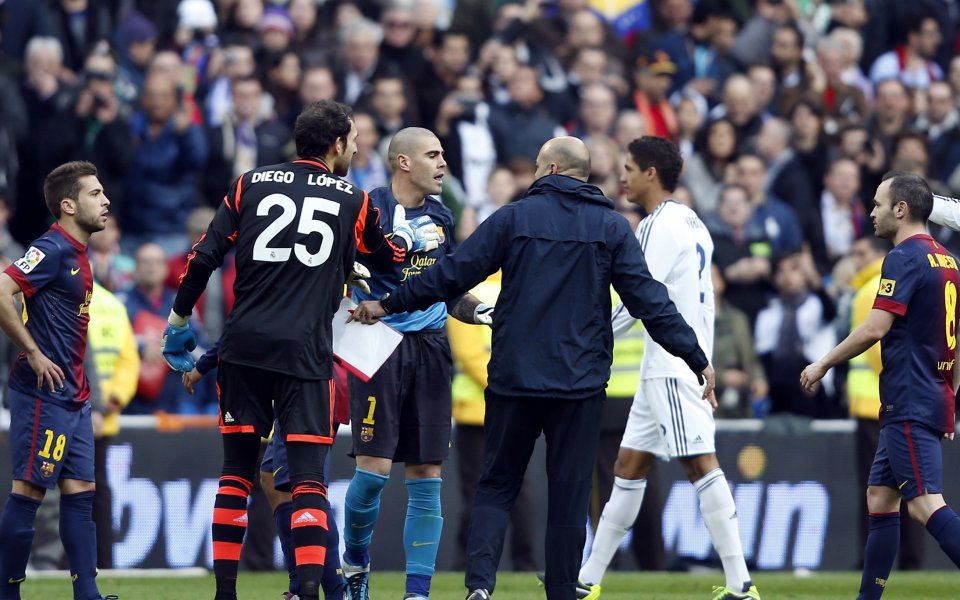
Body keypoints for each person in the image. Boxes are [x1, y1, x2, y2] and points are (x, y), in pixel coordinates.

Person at [349, 136, 715, 600]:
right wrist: (696, 356)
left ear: (554, 170)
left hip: (514, 379)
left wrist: (389, 303)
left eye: (540, 168)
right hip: (579, 387)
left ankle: (480, 586)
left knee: (497, 486)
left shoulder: (513, 219)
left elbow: (449, 275)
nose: (535, 176)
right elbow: (650, 301)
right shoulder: (611, 228)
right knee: (569, 493)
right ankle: (561, 591)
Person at [159, 100, 425, 600]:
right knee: (307, 482)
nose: (358, 146)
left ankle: (225, 594)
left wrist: (176, 323)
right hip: (304, 355)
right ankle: (306, 592)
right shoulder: (352, 198)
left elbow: (203, 257)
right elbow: (388, 254)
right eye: (354, 139)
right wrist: (410, 239)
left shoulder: (249, 183)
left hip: (243, 348)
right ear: (336, 144)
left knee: (235, 474)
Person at [576, 137, 758, 600]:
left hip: (671, 364)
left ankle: (742, 586)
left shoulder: (657, 225)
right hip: (677, 362)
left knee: (700, 464)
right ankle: (589, 580)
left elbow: (642, 300)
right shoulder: (694, 222)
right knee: (628, 465)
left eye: (629, 169)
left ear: (650, 174)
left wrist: (585, 336)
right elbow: (700, 301)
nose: (622, 178)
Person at [340, 127, 491, 600]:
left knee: (427, 472)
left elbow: (444, 288)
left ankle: (417, 593)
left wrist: (478, 311)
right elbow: (341, 267)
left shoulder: (444, 214)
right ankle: (355, 568)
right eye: (433, 155)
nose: (443, 163)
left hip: (429, 347)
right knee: (373, 471)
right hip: (376, 345)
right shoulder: (367, 209)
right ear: (403, 162)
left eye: (443, 154)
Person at [801, 172, 960, 600]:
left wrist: (823, 363)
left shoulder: (904, 257)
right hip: (924, 397)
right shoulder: (947, 260)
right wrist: (949, 399)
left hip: (909, 397)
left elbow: (874, 328)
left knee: (926, 505)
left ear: (901, 209)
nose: (871, 212)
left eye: (877, 204)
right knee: (880, 497)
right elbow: (955, 341)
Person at [0, 161, 114, 600]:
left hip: (75, 395)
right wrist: (32, 351)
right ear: (68, 205)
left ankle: (87, 593)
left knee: (81, 492)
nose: (105, 201)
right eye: (94, 194)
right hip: (42, 393)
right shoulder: (51, 249)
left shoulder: (80, 254)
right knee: (28, 493)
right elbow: (2, 290)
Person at [183, 342, 350, 600]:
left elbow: (253, 317)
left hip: (309, 372)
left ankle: (334, 592)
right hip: (306, 369)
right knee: (273, 478)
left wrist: (205, 362)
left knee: (307, 486)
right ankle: (301, 588)